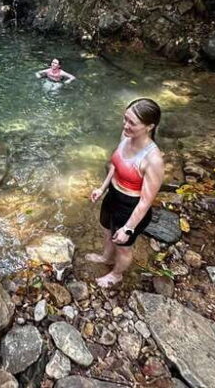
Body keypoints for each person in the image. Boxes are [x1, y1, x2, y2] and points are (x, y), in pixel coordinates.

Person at [87, 98, 163, 288]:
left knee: (123, 247)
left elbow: (146, 201)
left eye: (132, 123)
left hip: (130, 206)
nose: (125, 126)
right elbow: (115, 165)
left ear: (149, 127)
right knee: (107, 230)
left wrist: (128, 228)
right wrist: (102, 188)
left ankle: (116, 274)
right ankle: (105, 257)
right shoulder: (125, 136)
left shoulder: (153, 160)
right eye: (125, 119)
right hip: (112, 195)